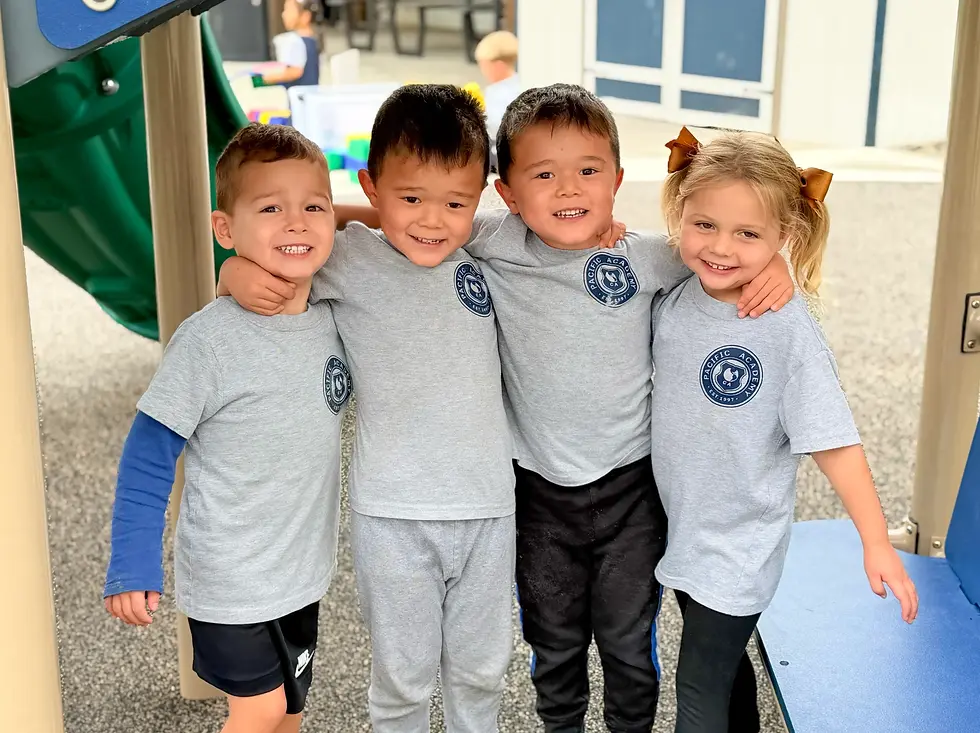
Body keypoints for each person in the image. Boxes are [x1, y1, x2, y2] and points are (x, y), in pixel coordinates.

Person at [463, 84, 795, 733]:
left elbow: (726, 249)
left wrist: (774, 261)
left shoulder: (644, 255)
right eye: (544, 174)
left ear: (616, 179)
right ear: (505, 192)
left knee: (626, 644)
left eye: (588, 171)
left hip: (630, 495)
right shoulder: (492, 242)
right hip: (539, 497)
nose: (568, 190)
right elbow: (406, 216)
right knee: (553, 645)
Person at [217, 84, 537, 733]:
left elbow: (566, 228)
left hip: (489, 507)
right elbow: (290, 236)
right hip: (392, 515)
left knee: (481, 666)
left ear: (480, 196)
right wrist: (233, 272)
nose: (430, 220)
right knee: (404, 672)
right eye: (409, 198)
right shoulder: (353, 256)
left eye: (454, 202)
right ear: (370, 184)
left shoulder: (482, 246)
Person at [651, 126, 920, 733]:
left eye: (749, 234)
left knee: (696, 694)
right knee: (722, 669)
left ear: (785, 236)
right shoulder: (673, 289)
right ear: (680, 214)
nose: (721, 247)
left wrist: (875, 540)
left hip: (738, 545)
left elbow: (833, 439)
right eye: (705, 225)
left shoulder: (783, 327)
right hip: (684, 530)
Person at [103, 123, 351, 733]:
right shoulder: (208, 342)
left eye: (312, 207)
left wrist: (269, 241)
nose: (296, 223)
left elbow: (395, 226)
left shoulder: (335, 309)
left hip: (300, 572)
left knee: (292, 706)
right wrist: (133, 561)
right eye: (270, 208)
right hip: (231, 575)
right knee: (261, 708)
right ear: (225, 229)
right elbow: (149, 453)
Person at [474, 30, 521, 172]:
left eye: (483, 65)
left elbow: (494, 127)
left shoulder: (500, 93)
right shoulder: (519, 83)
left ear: (498, 66)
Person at [254, 0, 321, 89]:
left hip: (299, 99)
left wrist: (261, 80)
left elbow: (294, 72)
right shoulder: (313, 41)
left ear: (305, 16)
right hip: (311, 96)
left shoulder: (295, 41)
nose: (283, 15)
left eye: (288, 10)